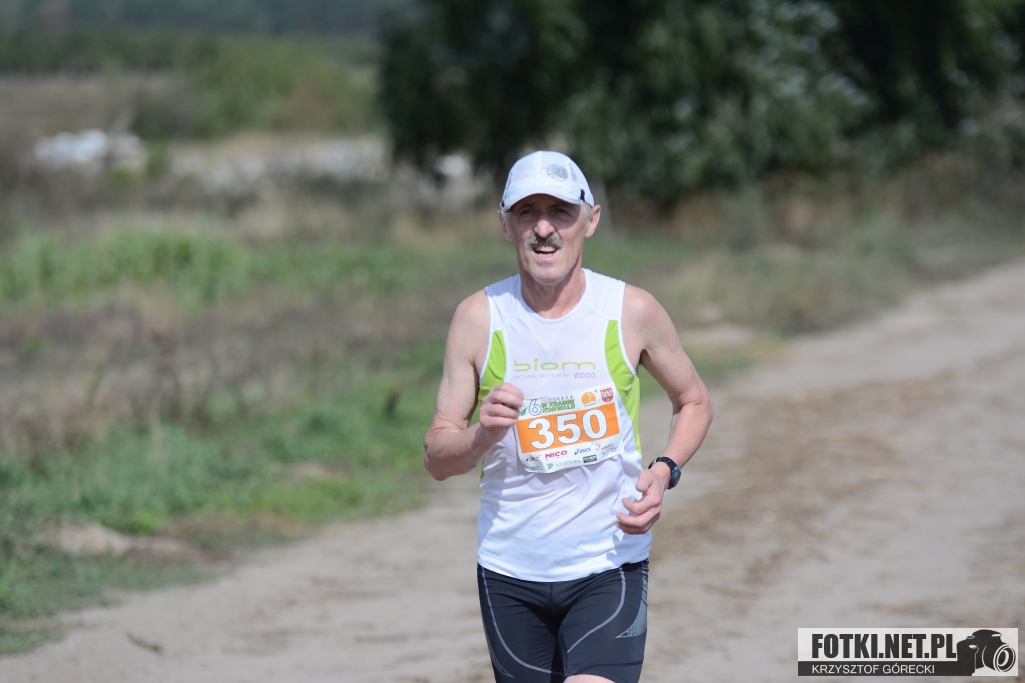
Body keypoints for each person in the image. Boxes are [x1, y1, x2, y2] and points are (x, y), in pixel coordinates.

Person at [424, 150, 713, 683]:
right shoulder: (478, 319)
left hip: (608, 561)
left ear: (591, 219)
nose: (544, 229)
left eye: (560, 211)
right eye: (526, 212)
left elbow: (694, 400)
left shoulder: (630, 311)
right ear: (505, 225)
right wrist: (482, 435)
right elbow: (438, 458)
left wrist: (664, 470)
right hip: (510, 570)